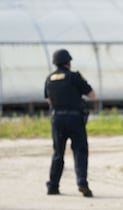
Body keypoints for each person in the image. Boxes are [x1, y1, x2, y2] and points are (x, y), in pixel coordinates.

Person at [44, 49, 95, 197]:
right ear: (68, 62)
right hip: (75, 119)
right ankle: (82, 183)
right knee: (80, 150)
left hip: (57, 119)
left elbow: (48, 100)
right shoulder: (74, 76)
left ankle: (53, 186)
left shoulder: (49, 78)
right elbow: (92, 94)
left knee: (58, 153)